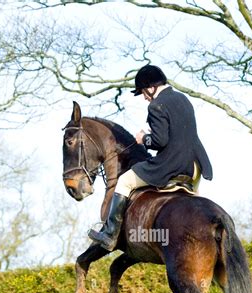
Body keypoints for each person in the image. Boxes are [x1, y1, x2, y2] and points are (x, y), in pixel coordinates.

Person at [88, 64, 213, 251]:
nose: (145, 98)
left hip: (171, 164)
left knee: (124, 181)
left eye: (143, 93)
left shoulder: (156, 105)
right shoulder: (183, 99)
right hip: (194, 167)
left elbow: (160, 141)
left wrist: (143, 139)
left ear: (150, 87)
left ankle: (110, 234)